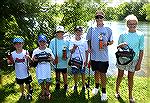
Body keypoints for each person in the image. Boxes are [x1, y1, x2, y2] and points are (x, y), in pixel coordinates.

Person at [115, 14, 144, 103]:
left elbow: (141, 50)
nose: (132, 25)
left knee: (130, 77)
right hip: (122, 59)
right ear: (127, 24)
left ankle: (130, 96)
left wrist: (139, 63)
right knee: (120, 75)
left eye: (134, 23)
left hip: (134, 60)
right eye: (130, 24)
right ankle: (117, 91)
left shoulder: (140, 35)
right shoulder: (122, 34)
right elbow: (118, 47)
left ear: (137, 24)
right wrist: (121, 45)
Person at [86, 10, 113, 101]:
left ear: (103, 18)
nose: (99, 19)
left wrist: (107, 43)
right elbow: (88, 40)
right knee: (96, 72)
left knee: (103, 73)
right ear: (95, 18)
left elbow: (112, 41)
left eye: (100, 17)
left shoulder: (108, 29)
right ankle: (96, 87)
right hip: (94, 56)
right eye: (97, 17)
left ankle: (104, 92)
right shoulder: (91, 29)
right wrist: (89, 47)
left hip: (104, 57)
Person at [32, 34, 54, 100]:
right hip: (39, 68)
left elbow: (53, 58)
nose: (42, 43)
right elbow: (33, 59)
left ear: (46, 42)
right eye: (40, 41)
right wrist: (34, 59)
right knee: (41, 80)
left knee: (48, 80)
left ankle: (47, 90)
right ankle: (43, 90)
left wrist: (50, 58)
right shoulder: (35, 51)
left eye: (43, 41)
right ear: (38, 42)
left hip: (47, 68)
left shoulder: (49, 50)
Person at [49, 26, 70, 91]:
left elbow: (69, 51)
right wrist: (53, 58)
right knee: (57, 72)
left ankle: (65, 85)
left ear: (63, 33)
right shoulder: (53, 41)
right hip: (56, 60)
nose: (60, 33)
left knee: (64, 73)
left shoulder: (67, 41)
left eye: (61, 32)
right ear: (56, 33)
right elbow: (50, 51)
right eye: (58, 32)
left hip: (64, 60)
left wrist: (66, 56)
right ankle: (57, 84)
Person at [69, 26, 88, 91]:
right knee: (75, 73)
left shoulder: (84, 41)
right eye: (77, 31)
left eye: (80, 31)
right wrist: (74, 48)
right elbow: (71, 51)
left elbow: (86, 51)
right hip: (74, 61)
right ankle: (75, 85)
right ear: (75, 32)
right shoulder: (72, 41)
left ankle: (83, 85)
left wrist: (86, 60)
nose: (78, 32)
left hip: (82, 61)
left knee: (83, 73)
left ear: (82, 32)